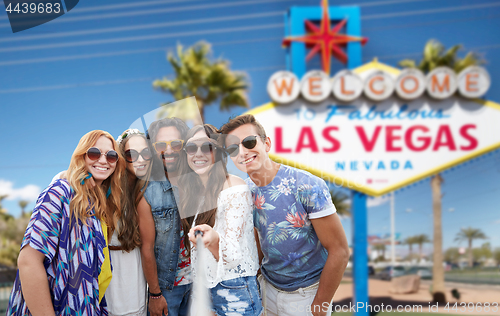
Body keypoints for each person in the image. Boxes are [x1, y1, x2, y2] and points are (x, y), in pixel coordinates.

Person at [220, 114, 350, 316]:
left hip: (307, 295)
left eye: (249, 142)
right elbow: (257, 236)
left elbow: (339, 250)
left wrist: (320, 305)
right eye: (233, 149)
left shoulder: (307, 185)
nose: (243, 152)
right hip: (267, 290)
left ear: (267, 143)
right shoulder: (245, 191)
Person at [7, 130, 125, 316]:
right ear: (81, 156)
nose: (103, 161)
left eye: (111, 156)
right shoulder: (60, 192)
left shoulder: (96, 206)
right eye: (94, 153)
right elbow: (29, 261)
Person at [179, 124, 262, 316]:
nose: (198, 153)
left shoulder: (234, 187)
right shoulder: (195, 192)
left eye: (206, 147)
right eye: (192, 148)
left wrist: (214, 239)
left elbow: (233, 256)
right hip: (204, 287)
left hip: (234, 288)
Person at [137, 117, 191, 316]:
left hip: (200, 286)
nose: (168, 150)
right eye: (161, 145)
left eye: (176, 144)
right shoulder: (148, 193)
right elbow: (147, 248)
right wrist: (155, 294)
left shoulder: (198, 182)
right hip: (169, 289)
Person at [106, 129, 153, 316]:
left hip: (136, 270)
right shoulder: (108, 186)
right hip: (111, 270)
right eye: (131, 154)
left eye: (145, 153)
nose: (140, 159)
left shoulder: (149, 188)